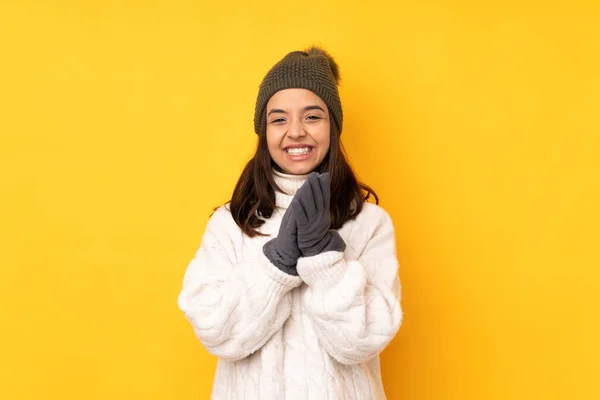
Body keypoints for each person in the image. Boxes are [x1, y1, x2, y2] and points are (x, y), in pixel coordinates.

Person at [177, 46, 403, 399]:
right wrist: (276, 263)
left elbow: (363, 342)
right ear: (263, 133)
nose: (295, 132)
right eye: (279, 119)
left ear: (334, 126)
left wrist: (322, 259)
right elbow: (216, 332)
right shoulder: (230, 223)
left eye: (312, 117)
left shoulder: (370, 223)